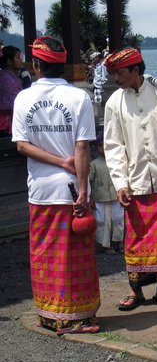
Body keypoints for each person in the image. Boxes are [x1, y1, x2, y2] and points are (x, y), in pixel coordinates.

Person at [11, 36, 100, 334]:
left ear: (36, 65)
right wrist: (83, 189)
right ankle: (80, 317)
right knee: (76, 255)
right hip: (72, 190)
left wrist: (56, 162)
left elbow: (22, 146)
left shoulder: (22, 98)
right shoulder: (79, 97)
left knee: (44, 253)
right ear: (62, 66)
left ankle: (49, 315)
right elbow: (83, 148)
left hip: (40, 190)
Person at [103, 48, 157, 310]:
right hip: (136, 180)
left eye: (119, 72)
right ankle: (136, 291)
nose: (115, 78)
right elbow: (113, 146)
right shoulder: (113, 102)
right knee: (136, 239)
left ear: (135, 71)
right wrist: (120, 183)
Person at [89, 131, 125, 254]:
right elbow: (90, 181)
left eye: (105, 145)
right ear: (96, 148)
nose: (103, 149)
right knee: (102, 221)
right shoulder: (94, 164)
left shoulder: (117, 162)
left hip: (116, 195)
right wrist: (90, 197)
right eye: (100, 145)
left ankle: (119, 242)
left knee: (118, 218)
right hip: (100, 197)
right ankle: (106, 245)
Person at [0, 46, 23, 135]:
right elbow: (12, 104)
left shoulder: (10, 77)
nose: (20, 60)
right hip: (5, 126)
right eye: (17, 57)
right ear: (9, 61)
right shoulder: (6, 79)